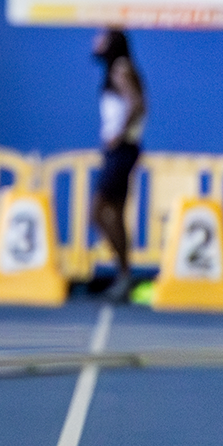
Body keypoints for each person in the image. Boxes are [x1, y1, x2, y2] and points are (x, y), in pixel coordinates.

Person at [90, 28, 147, 301]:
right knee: (117, 214)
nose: (95, 42)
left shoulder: (121, 69)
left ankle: (124, 273)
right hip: (126, 150)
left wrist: (119, 135)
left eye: (101, 38)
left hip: (122, 150)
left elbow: (137, 104)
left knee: (98, 211)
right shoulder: (121, 68)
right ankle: (124, 276)